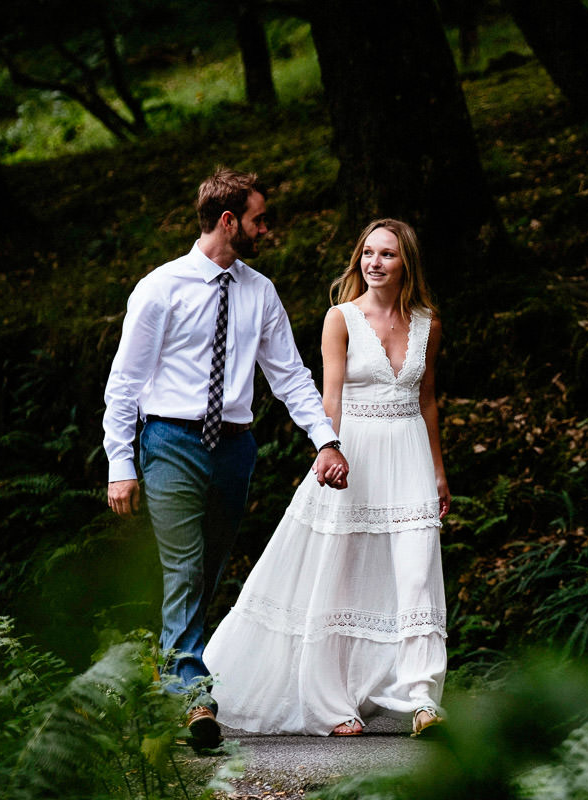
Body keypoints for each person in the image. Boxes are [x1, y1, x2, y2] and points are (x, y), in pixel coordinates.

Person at [103, 167, 350, 750]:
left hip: (235, 447)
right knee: (185, 563)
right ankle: (194, 690)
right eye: (260, 219)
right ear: (227, 220)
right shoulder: (160, 288)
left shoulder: (259, 292)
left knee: (208, 565)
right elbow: (125, 382)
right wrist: (121, 463)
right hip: (171, 442)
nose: (267, 230)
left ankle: (171, 671)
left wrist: (325, 438)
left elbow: (289, 377)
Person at [204, 218, 450, 737]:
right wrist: (327, 448)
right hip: (353, 452)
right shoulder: (340, 318)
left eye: (387, 254)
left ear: (407, 263)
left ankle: (423, 697)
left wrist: (439, 472)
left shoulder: (428, 322)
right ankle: (332, 701)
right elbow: (329, 397)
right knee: (339, 574)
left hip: (408, 454)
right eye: (367, 253)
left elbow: (427, 401)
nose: (374, 263)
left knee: (417, 574)